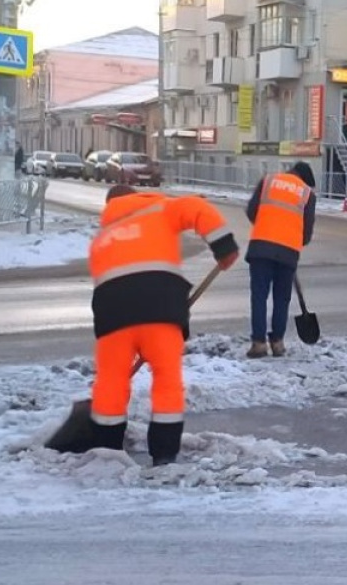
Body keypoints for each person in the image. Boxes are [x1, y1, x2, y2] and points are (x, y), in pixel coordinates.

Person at [87, 184, 240, 466]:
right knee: (167, 380)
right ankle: (164, 453)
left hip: (112, 316)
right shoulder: (159, 208)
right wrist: (224, 246)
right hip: (162, 307)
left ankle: (106, 449)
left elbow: (107, 284)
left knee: (111, 380)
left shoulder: (100, 240)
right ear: (136, 195)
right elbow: (199, 207)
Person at [244, 161, 317, 359]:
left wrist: (269, 225)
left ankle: (258, 343)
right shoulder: (307, 194)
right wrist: (290, 237)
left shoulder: (268, 181)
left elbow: (251, 212)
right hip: (288, 252)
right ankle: (277, 343)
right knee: (281, 298)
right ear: (305, 179)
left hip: (261, 247)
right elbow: (307, 233)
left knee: (259, 296)